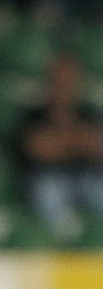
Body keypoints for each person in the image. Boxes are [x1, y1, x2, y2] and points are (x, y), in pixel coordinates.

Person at [19, 54, 103, 233]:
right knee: (48, 193)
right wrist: (76, 139)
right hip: (50, 178)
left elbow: (96, 148)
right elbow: (40, 149)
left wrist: (60, 139)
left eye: (69, 81)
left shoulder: (88, 112)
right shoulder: (35, 114)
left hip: (88, 176)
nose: (65, 86)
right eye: (59, 81)